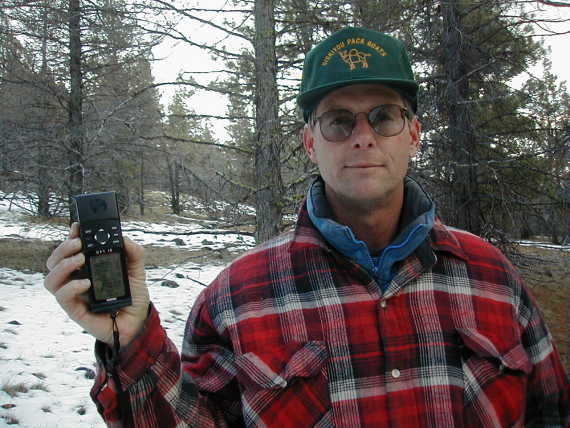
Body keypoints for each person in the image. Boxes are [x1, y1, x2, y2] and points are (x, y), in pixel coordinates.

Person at [45, 27, 569, 427]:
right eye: (339, 120)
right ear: (311, 142)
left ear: (413, 133)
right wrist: (131, 335)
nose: (362, 136)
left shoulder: (492, 278)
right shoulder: (236, 298)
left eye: (383, 116)